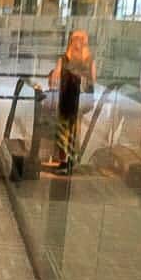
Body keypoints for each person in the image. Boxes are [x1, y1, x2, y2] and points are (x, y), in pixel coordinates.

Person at [49, 29, 96, 175]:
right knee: (64, 130)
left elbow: (92, 80)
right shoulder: (63, 59)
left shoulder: (89, 60)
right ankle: (64, 161)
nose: (77, 43)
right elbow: (55, 79)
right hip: (66, 99)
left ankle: (71, 161)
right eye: (75, 39)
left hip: (80, 101)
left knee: (74, 131)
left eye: (80, 40)